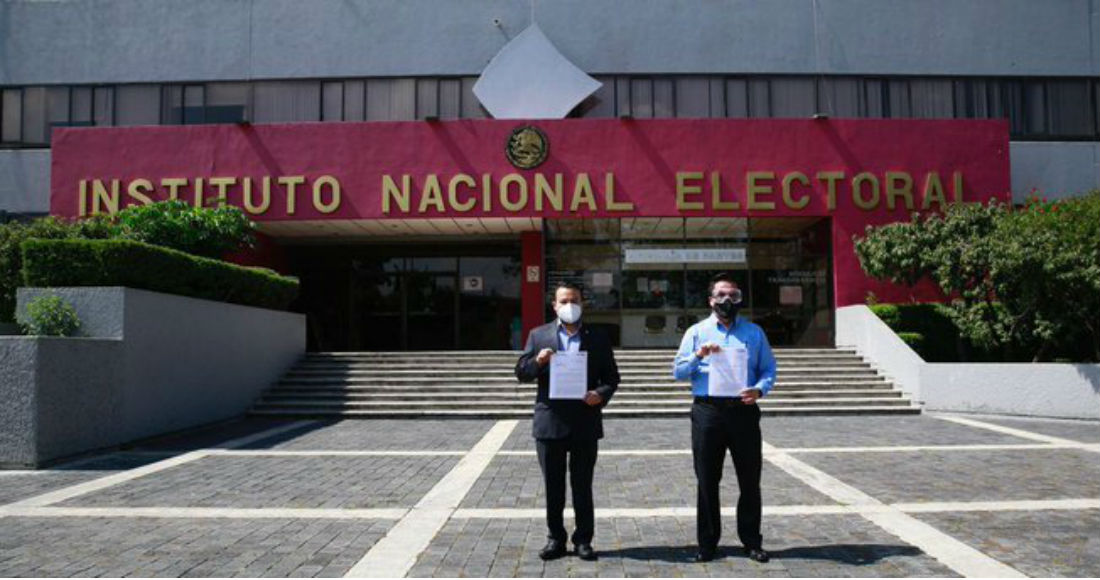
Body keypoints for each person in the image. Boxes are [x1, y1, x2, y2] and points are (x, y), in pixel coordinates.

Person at [672, 273, 776, 563]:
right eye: (721, 295)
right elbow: (678, 372)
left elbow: (768, 369)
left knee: (750, 479)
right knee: (707, 479)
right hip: (708, 412)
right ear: (711, 300)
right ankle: (707, 543)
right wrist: (698, 356)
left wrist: (759, 389)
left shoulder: (754, 333)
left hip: (743, 411)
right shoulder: (696, 332)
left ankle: (752, 541)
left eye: (733, 295)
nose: (727, 301)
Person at [515, 282, 620, 561]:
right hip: (551, 422)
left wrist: (600, 394)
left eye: (574, 300)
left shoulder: (597, 337)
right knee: (553, 486)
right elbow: (521, 372)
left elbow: (612, 378)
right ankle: (555, 539)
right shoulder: (539, 335)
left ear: (582, 303)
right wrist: (537, 361)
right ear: (554, 305)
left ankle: (584, 539)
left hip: (585, 420)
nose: (569, 305)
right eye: (564, 300)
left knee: (583, 485)